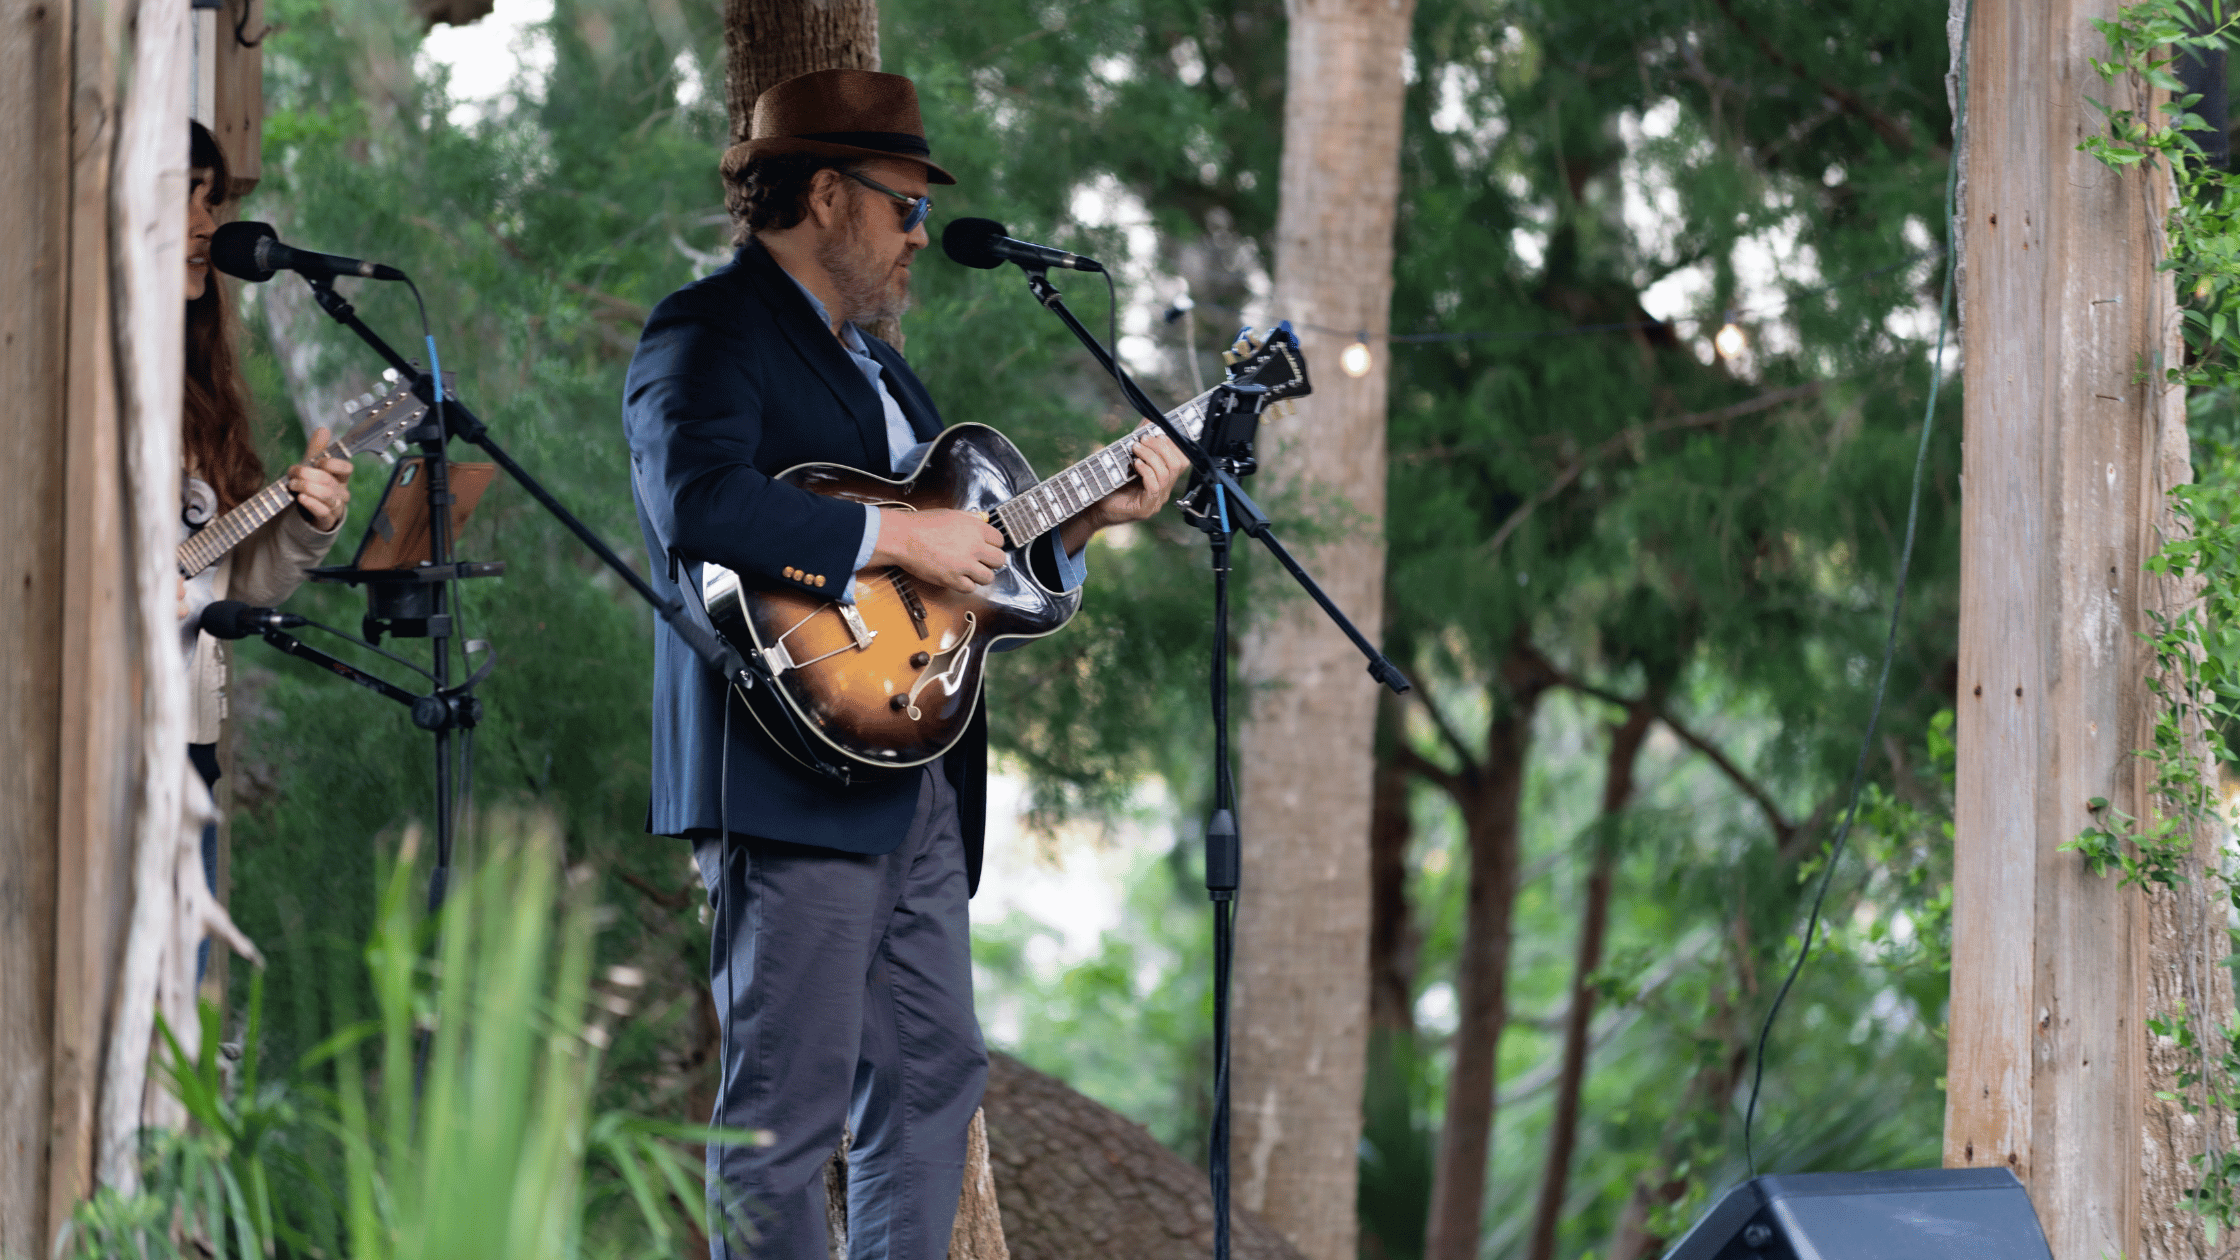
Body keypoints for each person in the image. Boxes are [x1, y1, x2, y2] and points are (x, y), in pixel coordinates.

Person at [622, 69, 1185, 1260]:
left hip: (914, 765)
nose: (922, 233)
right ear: (824, 194)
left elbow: (950, 572)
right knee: (781, 1119)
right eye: (902, 204)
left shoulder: (881, 367)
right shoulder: (708, 329)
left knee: (933, 1080)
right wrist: (898, 533)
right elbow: (694, 501)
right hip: (785, 768)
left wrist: (1079, 525)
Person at [182, 120, 354, 957]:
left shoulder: (202, 384)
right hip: (78, 739)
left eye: (211, 200)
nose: (205, 226)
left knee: (181, 1011)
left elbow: (235, 582)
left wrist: (306, 522)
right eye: (183, 194)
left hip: (188, 745)